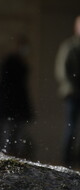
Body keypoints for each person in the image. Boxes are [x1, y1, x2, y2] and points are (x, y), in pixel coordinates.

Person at [0, 36, 33, 157]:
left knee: (17, 134)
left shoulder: (21, 62)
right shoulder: (11, 63)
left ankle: (15, 156)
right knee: (7, 134)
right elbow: (6, 84)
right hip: (9, 104)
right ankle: (5, 156)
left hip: (17, 105)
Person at [55, 16, 80, 167]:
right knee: (71, 127)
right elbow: (62, 71)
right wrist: (73, 87)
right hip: (73, 94)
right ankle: (67, 160)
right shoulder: (69, 46)